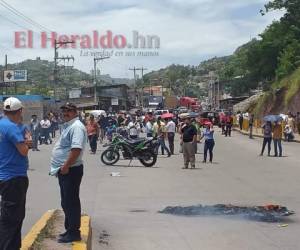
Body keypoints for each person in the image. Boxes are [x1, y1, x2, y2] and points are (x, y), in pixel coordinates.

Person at [50, 103, 87, 243]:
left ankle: (74, 233)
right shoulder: (69, 126)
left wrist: (65, 166)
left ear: (75, 112)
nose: (65, 113)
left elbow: (76, 149)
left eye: (68, 111)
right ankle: (69, 229)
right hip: (66, 169)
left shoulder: (76, 127)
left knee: (71, 202)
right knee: (66, 201)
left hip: (70, 170)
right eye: (64, 111)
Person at [0, 97, 32, 250]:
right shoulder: (12, 128)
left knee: (12, 217)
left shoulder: (2, 124)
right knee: (12, 220)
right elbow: (23, 151)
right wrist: (28, 141)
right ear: (20, 111)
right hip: (14, 178)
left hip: (4, 176)